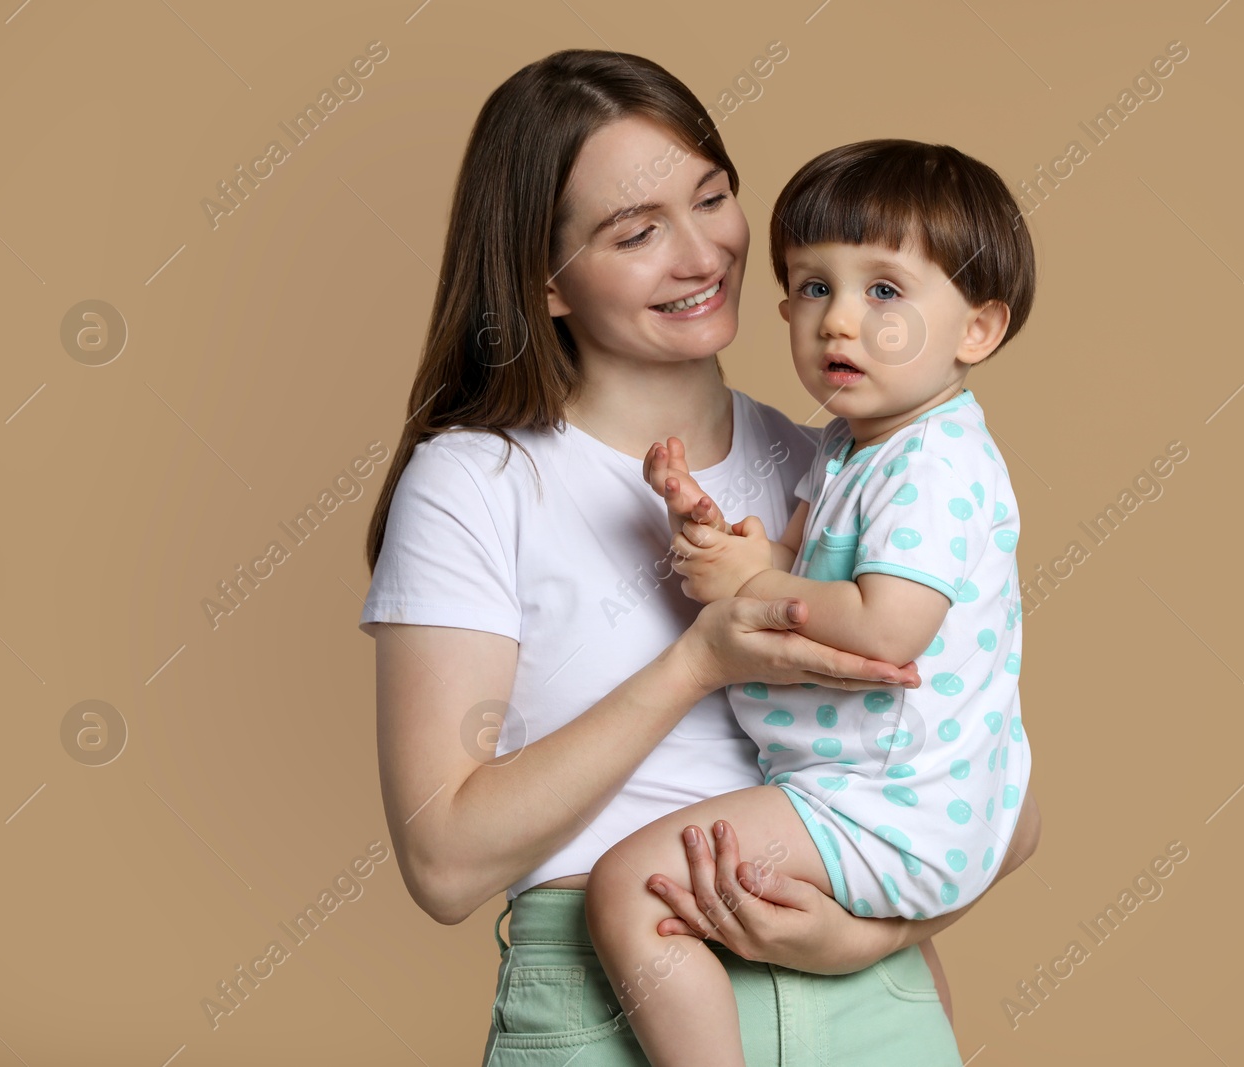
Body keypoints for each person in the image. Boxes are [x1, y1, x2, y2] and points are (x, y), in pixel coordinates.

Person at [358, 49, 1043, 1066]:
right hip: (607, 998)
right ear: (545, 281)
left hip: (866, 999)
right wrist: (699, 662)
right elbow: (443, 861)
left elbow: (999, 795)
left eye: (711, 197)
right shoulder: (478, 484)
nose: (703, 255)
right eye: (637, 232)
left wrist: (870, 933)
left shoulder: (843, 464)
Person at [582, 140, 1036, 1066]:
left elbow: (887, 623)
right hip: (860, 787)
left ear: (976, 331)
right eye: (812, 288)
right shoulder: (853, 444)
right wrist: (718, 540)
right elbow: (796, 563)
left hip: (885, 798)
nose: (838, 323)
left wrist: (752, 585)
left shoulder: (934, 463)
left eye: (884, 292)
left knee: (630, 887)